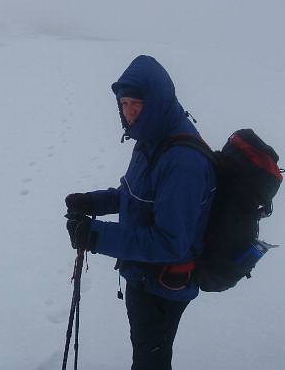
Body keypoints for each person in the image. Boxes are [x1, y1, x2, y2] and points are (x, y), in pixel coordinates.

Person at [65, 55, 216, 370]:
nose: (130, 112)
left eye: (137, 103)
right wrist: (92, 202)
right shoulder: (151, 138)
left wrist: (95, 236)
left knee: (150, 362)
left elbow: (170, 242)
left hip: (163, 287)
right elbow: (132, 195)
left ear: (157, 101)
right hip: (143, 275)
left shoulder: (182, 162)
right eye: (124, 103)